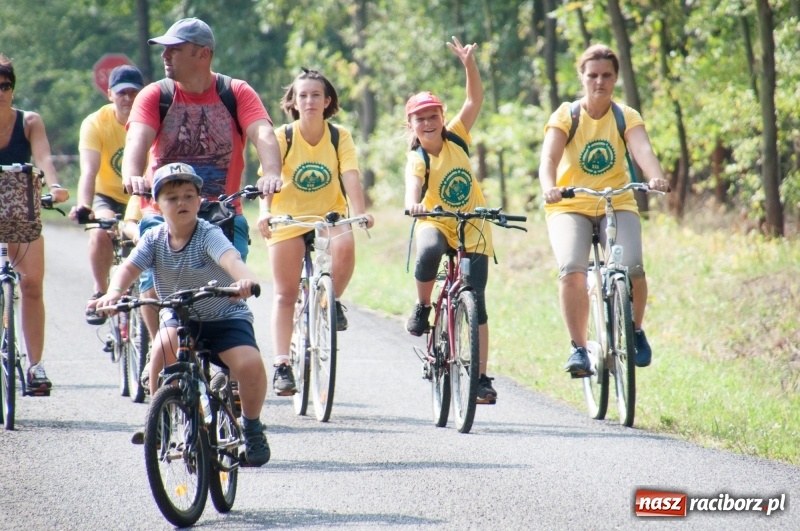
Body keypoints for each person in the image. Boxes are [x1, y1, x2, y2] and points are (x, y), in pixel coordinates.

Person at [88, 162, 271, 466]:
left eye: (189, 195)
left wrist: (243, 280)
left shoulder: (207, 234)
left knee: (250, 364)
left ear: (200, 202)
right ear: (158, 205)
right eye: (172, 198)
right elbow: (129, 268)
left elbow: (230, 258)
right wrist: (113, 292)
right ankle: (160, 421)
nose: (182, 202)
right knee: (159, 353)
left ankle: (251, 427)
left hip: (225, 317)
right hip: (181, 317)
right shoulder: (154, 238)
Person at [538, 44, 670, 378]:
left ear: (615, 78)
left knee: (633, 268)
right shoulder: (566, 116)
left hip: (616, 201)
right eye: (592, 75)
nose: (600, 81)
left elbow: (642, 149)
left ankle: (635, 329)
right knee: (572, 269)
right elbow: (549, 159)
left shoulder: (625, 116)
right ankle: (579, 348)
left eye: (606, 75)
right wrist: (548, 187)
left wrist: (655, 176)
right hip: (571, 205)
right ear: (581, 77)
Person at [121, 17, 283, 262]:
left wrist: (271, 173)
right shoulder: (155, 95)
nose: (165, 55)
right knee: (153, 294)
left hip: (222, 214)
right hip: (162, 214)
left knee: (233, 289)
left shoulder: (236, 93)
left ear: (203, 54)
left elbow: (263, 132)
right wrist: (132, 174)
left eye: (174, 49)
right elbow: (137, 139)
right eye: (165, 49)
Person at [255, 68, 374, 396]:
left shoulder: (339, 136)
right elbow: (269, 177)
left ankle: (330, 300)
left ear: (327, 101)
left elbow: (350, 176)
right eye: (302, 95)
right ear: (293, 101)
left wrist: (359, 212)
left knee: (346, 243)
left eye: (316, 95)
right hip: (288, 216)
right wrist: (265, 212)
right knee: (285, 294)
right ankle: (282, 364)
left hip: (328, 214)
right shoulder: (282, 137)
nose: (309, 101)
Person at [403, 37, 499, 404]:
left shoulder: (456, 137)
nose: (428, 122)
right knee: (427, 252)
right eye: (420, 118)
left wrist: (468, 65)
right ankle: (424, 306)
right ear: (411, 125)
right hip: (436, 222)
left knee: (477, 299)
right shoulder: (418, 158)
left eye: (433, 115)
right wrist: (414, 205)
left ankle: (480, 378)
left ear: (442, 118)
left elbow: (474, 100)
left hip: (472, 224)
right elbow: (413, 187)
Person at [0, 54, 69, 392]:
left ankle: (36, 366)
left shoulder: (28, 122)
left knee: (31, 285)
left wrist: (54, 186)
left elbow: (43, 158)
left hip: (20, 210)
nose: (0, 92)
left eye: (6, 86)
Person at [69, 65, 144, 324]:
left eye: (134, 93)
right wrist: (83, 206)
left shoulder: (151, 120)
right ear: (110, 94)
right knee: (101, 232)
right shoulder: (95, 123)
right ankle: (100, 291)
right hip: (107, 196)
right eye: (122, 93)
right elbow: (88, 172)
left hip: (142, 194)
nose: (128, 98)